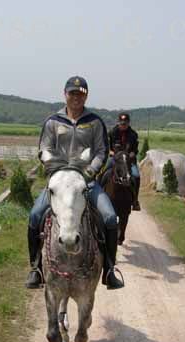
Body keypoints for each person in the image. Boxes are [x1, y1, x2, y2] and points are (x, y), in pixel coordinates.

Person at [25, 76, 125, 290]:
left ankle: (109, 269)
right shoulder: (53, 122)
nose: (76, 97)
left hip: (86, 183)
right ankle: (36, 268)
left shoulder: (95, 122)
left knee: (109, 218)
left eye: (80, 94)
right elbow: (44, 150)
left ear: (86, 95)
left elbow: (100, 152)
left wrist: (89, 172)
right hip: (59, 183)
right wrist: (55, 171)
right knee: (35, 215)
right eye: (72, 93)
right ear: (65, 94)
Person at [105, 112, 141, 211]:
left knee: (136, 176)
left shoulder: (133, 134)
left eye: (125, 123)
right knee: (102, 172)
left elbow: (135, 150)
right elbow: (108, 147)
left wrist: (132, 154)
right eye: (121, 123)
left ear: (128, 123)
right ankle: (99, 196)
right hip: (115, 158)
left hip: (129, 160)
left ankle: (135, 201)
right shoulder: (112, 132)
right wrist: (111, 152)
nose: (123, 125)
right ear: (118, 122)